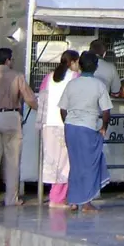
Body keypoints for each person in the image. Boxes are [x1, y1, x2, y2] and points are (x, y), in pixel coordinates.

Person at [0, 48, 37, 208]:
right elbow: (30, 99)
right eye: (12, 59)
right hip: (11, 117)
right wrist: (40, 108)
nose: (13, 62)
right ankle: (11, 199)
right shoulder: (18, 76)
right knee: (12, 161)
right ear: (8, 60)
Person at [59, 51, 111, 212]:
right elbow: (106, 111)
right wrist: (103, 127)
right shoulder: (99, 85)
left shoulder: (71, 84)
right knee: (90, 165)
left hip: (71, 128)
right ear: (95, 67)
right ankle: (87, 203)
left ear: (80, 66)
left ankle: (73, 200)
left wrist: (68, 123)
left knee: (75, 164)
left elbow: (63, 109)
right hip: (88, 128)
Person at [37, 51, 79, 208]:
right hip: (65, 124)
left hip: (49, 125)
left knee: (54, 162)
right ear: (73, 62)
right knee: (66, 163)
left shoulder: (49, 77)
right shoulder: (74, 77)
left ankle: (55, 195)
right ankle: (58, 198)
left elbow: (41, 99)